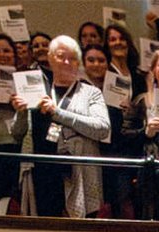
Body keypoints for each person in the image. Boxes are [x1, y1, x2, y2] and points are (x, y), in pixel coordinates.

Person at [15, 33, 111, 219]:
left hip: (78, 172)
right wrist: (20, 112)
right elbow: (17, 135)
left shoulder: (91, 92)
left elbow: (102, 128)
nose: (66, 62)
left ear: (79, 63)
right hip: (41, 175)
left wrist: (57, 113)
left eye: (72, 58)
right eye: (60, 56)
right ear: (50, 59)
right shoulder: (36, 91)